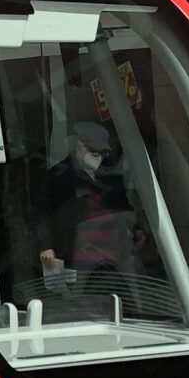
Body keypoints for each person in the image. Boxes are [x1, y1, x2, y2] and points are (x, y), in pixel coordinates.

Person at [38, 119, 131, 279]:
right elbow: (43, 213)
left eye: (102, 153)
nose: (99, 158)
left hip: (112, 254)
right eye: (94, 152)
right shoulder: (58, 177)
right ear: (79, 146)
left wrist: (136, 229)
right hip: (76, 254)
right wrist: (46, 247)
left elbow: (123, 206)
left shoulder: (111, 176)